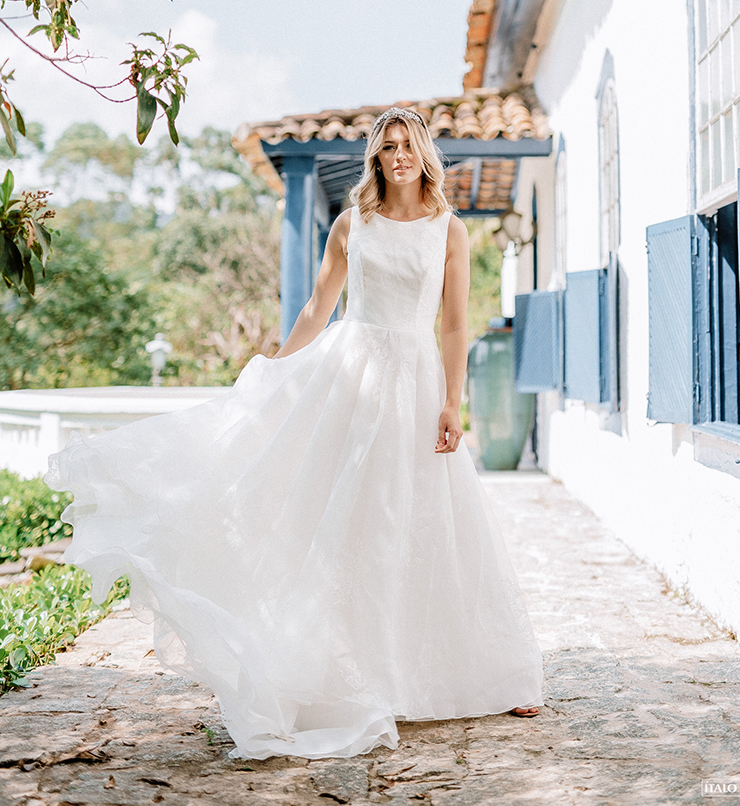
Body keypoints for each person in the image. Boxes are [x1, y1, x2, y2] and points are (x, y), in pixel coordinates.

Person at [46, 107, 543, 761]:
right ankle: (350, 672)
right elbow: (319, 306)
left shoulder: (449, 231)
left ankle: (485, 672)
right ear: (375, 157)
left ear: (426, 156)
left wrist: (453, 401)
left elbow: (453, 325)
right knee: (350, 525)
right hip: (351, 379)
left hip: (416, 383)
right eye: (388, 147)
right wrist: (274, 370)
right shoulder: (351, 223)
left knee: (432, 527)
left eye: (409, 147)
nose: (399, 157)